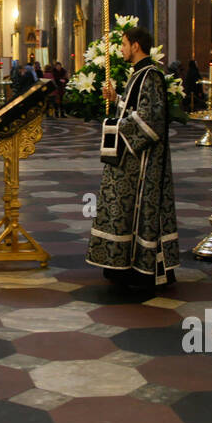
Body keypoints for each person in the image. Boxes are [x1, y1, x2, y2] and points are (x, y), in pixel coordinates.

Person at [87, 26, 180, 292]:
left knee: (138, 211)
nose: (122, 49)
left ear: (136, 45)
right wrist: (117, 100)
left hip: (144, 162)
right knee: (120, 209)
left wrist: (116, 127)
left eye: (125, 44)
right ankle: (124, 265)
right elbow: (134, 110)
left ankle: (142, 270)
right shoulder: (138, 75)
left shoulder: (151, 76)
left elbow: (152, 122)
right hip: (131, 158)